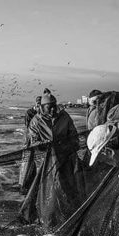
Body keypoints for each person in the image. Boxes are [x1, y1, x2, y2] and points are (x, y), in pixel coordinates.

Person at [21, 93, 84, 228]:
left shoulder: (65, 117)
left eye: (54, 106)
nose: (52, 110)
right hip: (45, 165)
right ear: (42, 107)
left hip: (65, 161)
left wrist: (65, 145)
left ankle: (67, 219)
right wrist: (45, 144)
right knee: (47, 193)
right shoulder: (36, 121)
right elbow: (33, 143)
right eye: (49, 107)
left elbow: (74, 137)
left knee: (67, 190)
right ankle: (47, 221)